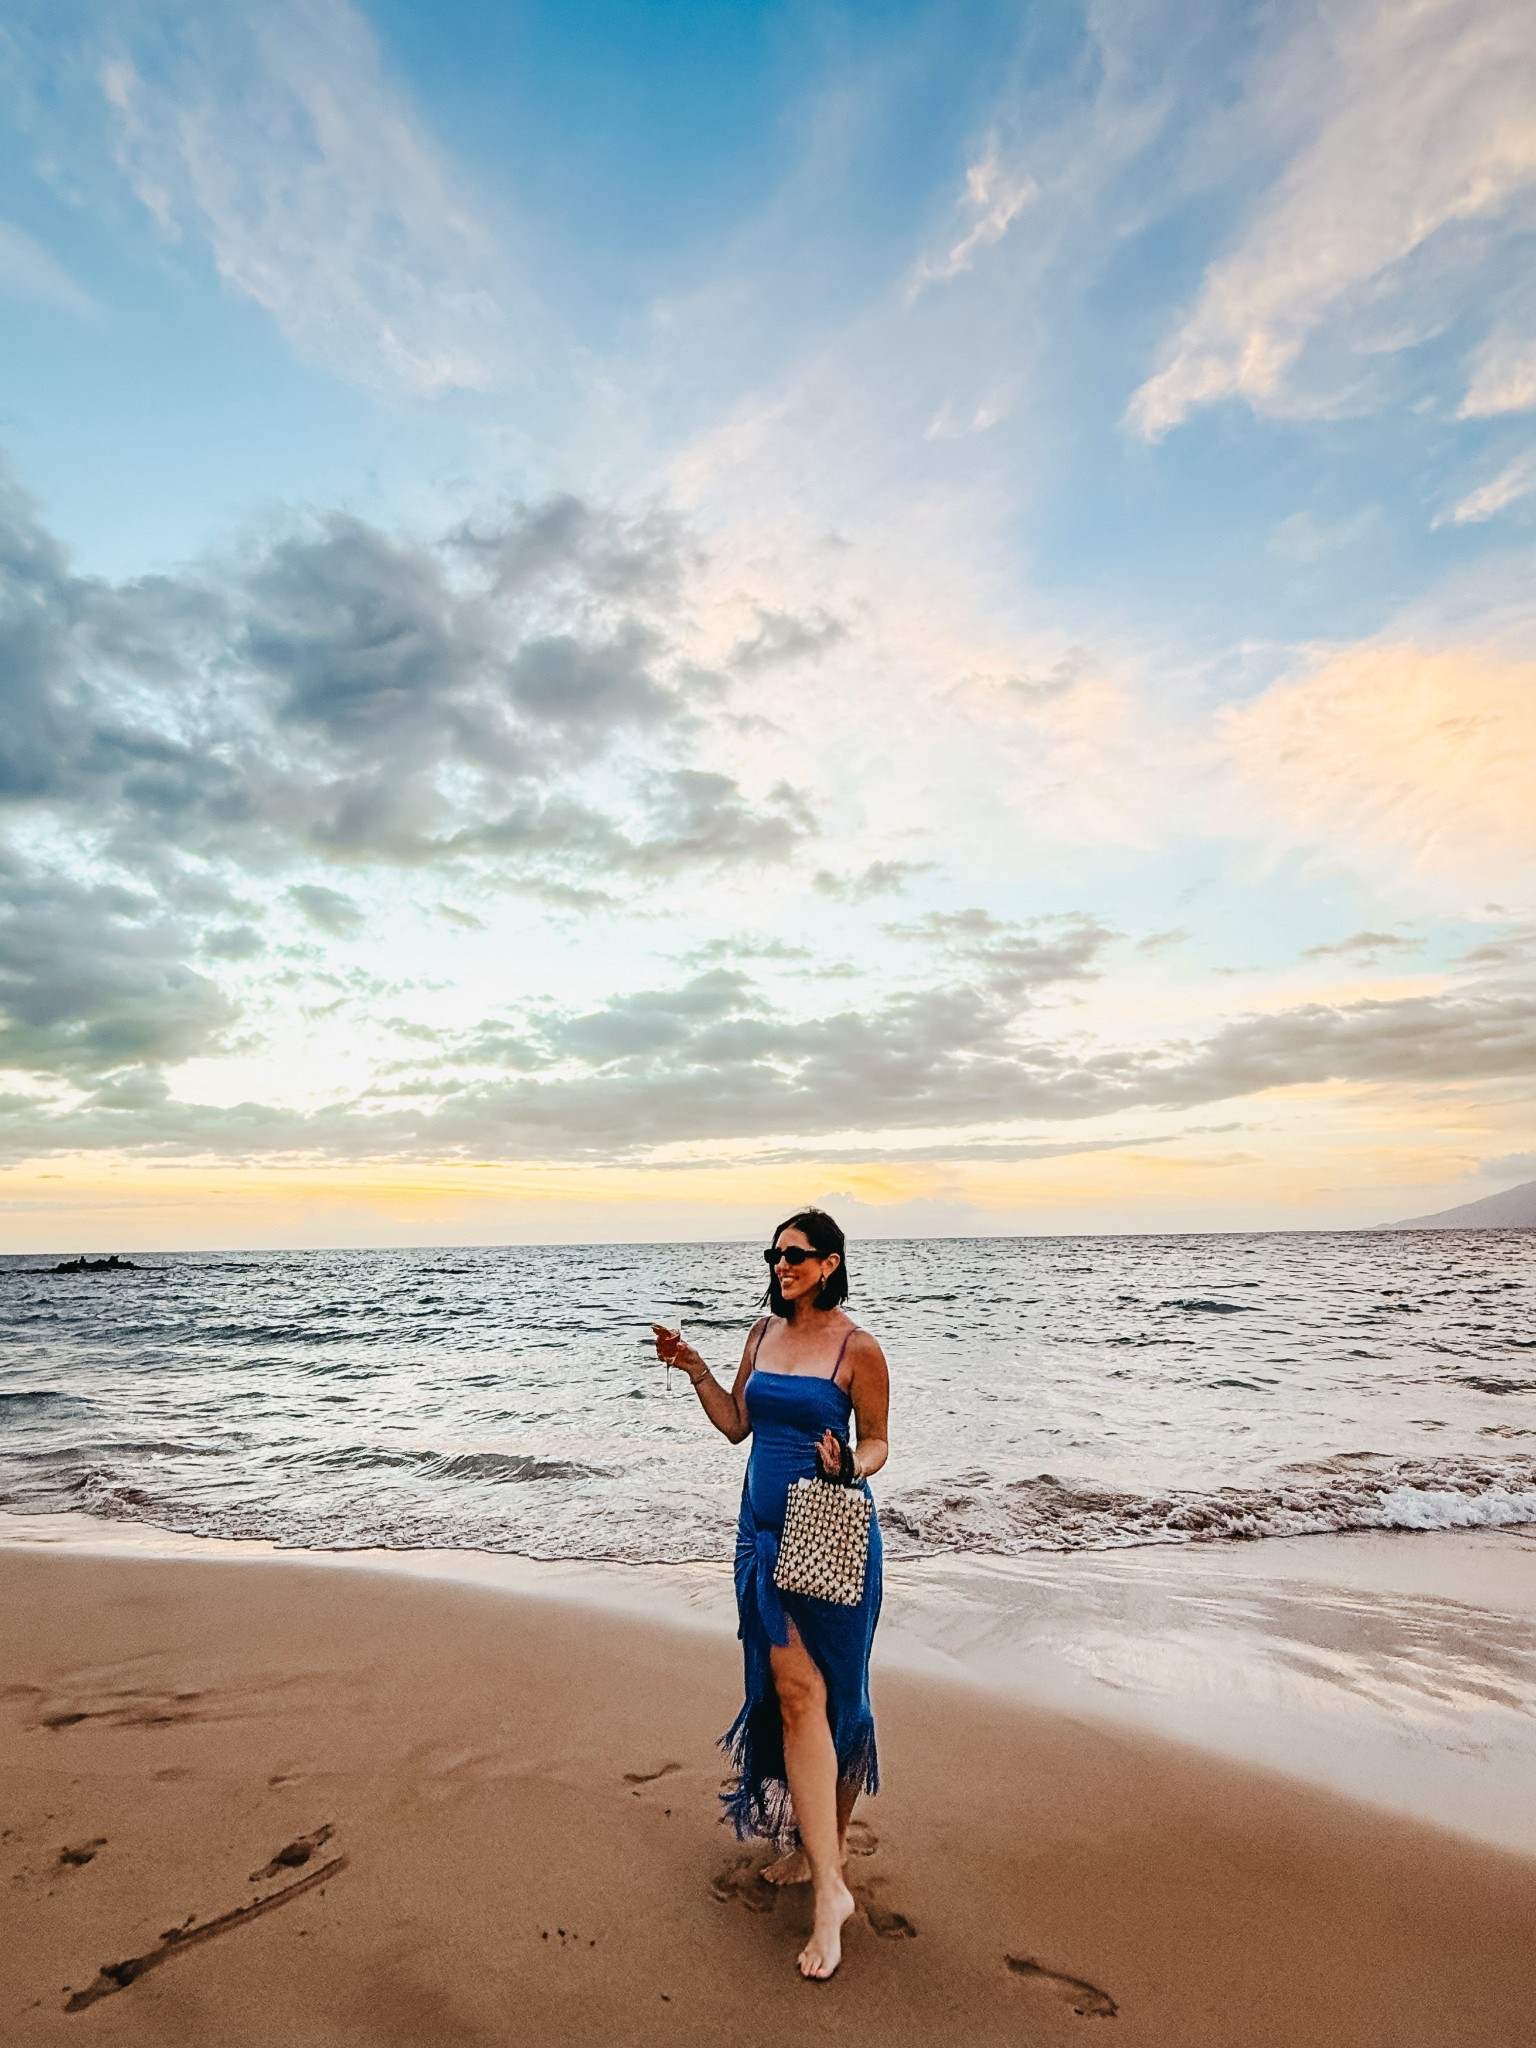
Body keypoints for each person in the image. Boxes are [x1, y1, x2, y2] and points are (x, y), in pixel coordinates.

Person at [652, 1208, 890, 1981]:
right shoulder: (760, 1336)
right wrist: (694, 1369)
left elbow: (880, 1440)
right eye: (774, 1254)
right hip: (761, 1540)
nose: (780, 1265)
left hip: (832, 1539)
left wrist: (852, 1462)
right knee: (794, 1695)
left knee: (837, 1702)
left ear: (829, 1263)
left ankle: (828, 1859)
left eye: (795, 1255)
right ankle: (828, 1886)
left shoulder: (860, 1350)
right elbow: (735, 1424)